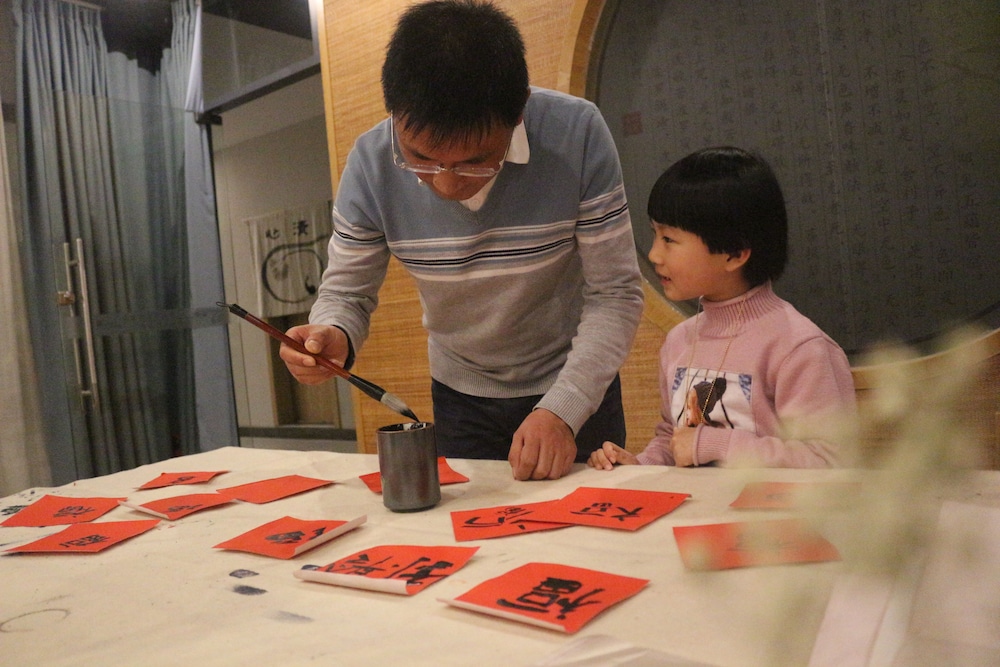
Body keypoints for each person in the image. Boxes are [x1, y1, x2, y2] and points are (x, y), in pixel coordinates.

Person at [279, 0, 643, 481]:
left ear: (518, 114)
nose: (447, 184)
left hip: (575, 383)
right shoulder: (370, 163)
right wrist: (333, 333)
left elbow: (614, 293)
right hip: (461, 395)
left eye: (475, 162)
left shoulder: (576, 134)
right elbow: (347, 293)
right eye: (421, 158)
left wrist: (563, 408)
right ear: (394, 115)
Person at [588, 146, 855, 470]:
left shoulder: (799, 348)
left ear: (734, 254)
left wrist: (714, 444)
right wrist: (639, 465)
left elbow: (830, 461)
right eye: (654, 234)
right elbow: (672, 440)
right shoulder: (679, 341)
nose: (655, 254)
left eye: (669, 239)